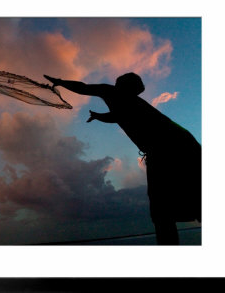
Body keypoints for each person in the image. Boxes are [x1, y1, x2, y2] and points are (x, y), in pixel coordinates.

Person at [44, 72, 201, 245]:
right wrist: (98, 116)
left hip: (173, 148)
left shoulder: (116, 94)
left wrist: (60, 81)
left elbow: (83, 88)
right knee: (176, 204)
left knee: (166, 208)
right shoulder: (127, 100)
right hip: (180, 146)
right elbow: (115, 114)